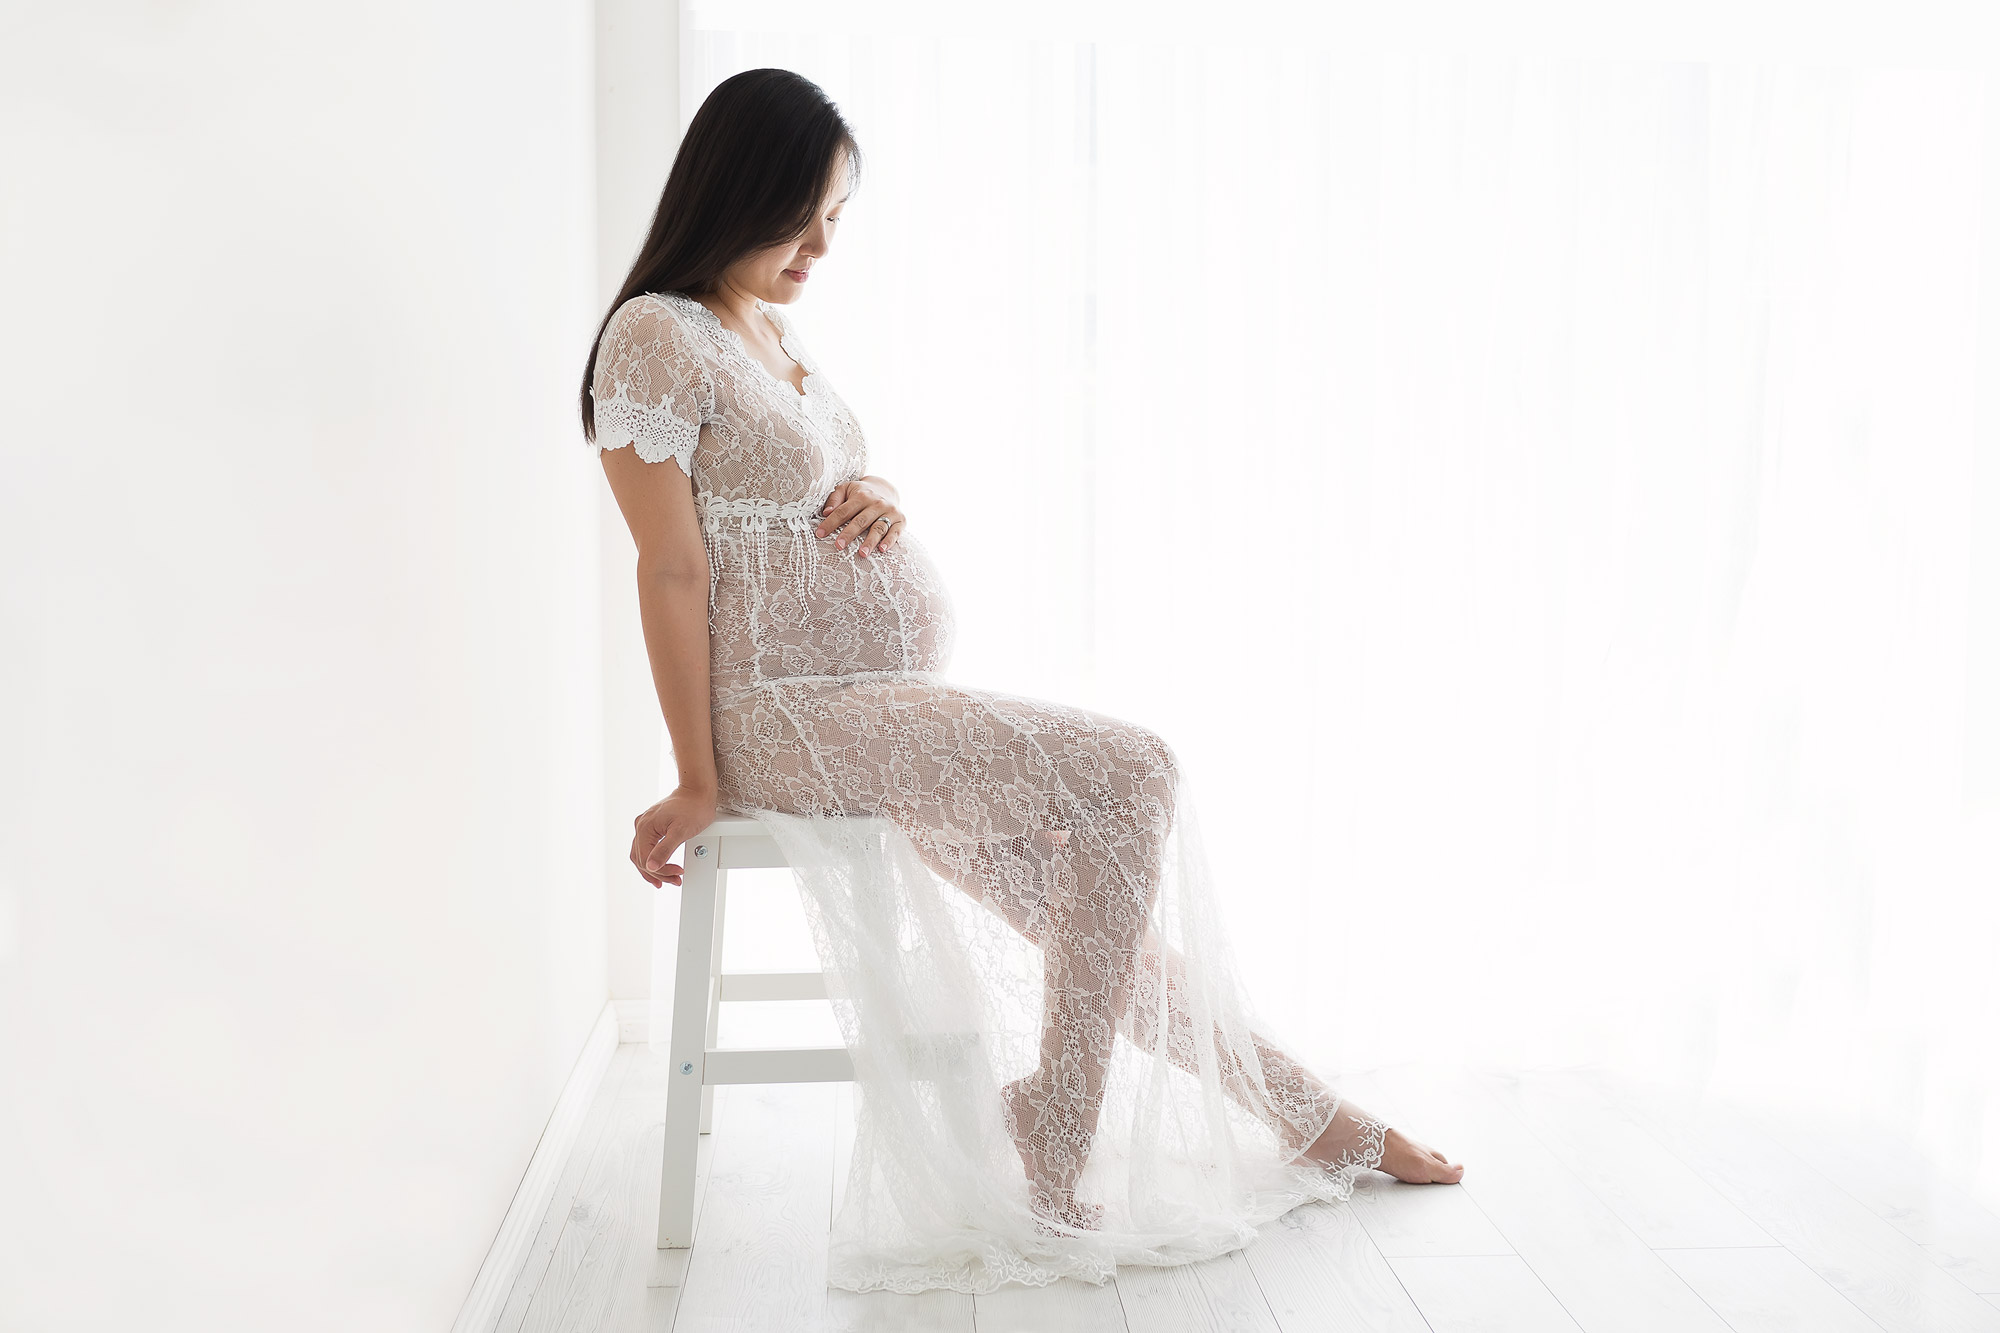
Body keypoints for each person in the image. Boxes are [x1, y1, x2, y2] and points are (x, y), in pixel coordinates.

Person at [580, 67, 1463, 1293]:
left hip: (873, 712)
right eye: (803, 213)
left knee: (1079, 903)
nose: (821, 245)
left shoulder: (772, 332)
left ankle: (1313, 1115)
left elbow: (809, 484)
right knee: (1133, 771)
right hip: (786, 716)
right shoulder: (654, 337)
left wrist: (879, 493)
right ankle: (1058, 1121)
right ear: (736, 188)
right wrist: (694, 774)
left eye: (838, 216)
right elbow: (672, 568)